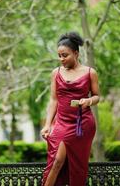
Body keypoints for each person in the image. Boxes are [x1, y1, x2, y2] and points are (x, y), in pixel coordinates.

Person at [41, 31, 100, 186]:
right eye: (59, 55)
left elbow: (97, 96)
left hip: (82, 125)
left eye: (65, 55)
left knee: (78, 166)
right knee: (57, 161)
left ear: (76, 53)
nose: (61, 59)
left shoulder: (90, 72)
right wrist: (47, 124)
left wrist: (88, 101)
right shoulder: (56, 73)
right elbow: (53, 100)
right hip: (62, 123)